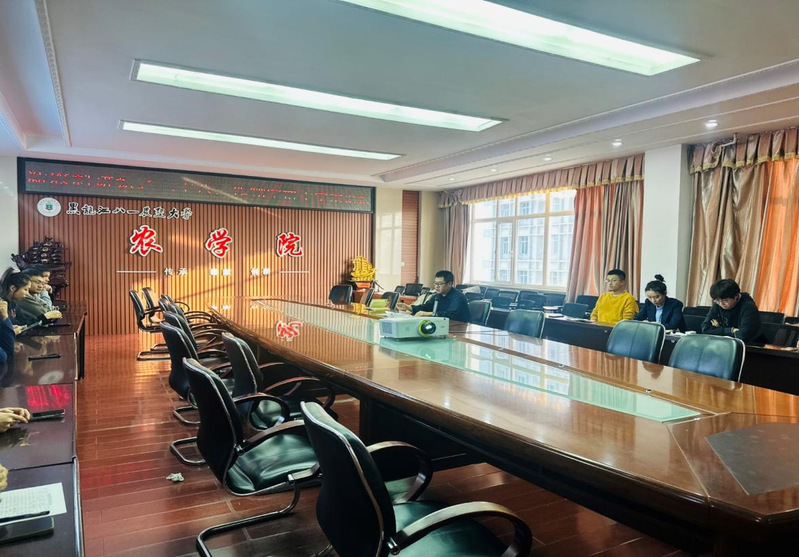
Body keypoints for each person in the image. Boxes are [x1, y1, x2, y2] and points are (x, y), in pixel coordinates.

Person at [396, 270, 471, 322]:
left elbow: (451, 314)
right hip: (443, 325)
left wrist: (430, 314)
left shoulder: (459, 297)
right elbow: (426, 307)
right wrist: (408, 307)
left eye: (440, 284)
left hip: (459, 328)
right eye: (435, 283)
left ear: (450, 284)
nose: (436, 286)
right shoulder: (437, 296)